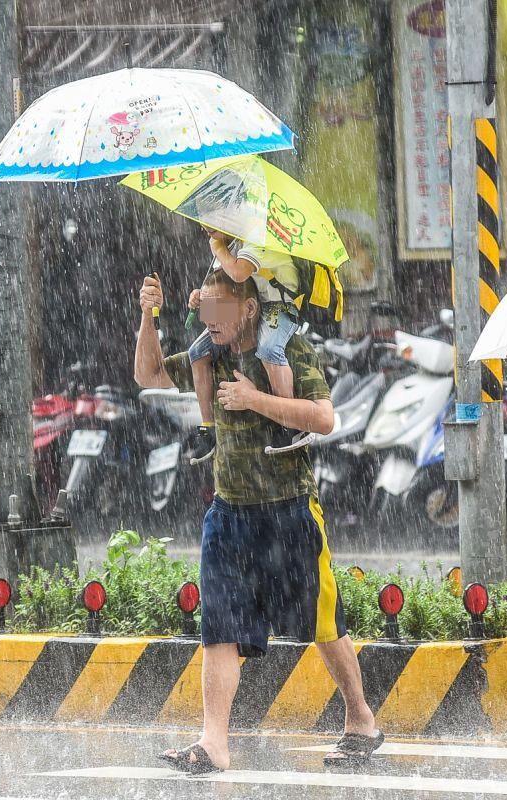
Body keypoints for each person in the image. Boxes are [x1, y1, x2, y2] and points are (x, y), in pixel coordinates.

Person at [135, 271, 382, 774]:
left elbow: (323, 418)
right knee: (219, 627)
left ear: (248, 309)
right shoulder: (210, 351)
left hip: (289, 508)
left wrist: (254, 399)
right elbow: (150, 375)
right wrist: (149, 316)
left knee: (322, 624)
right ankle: (213, 744)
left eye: (220, 308)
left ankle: (360, 717)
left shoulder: (286, 346)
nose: (211, 319)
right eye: (206, 309)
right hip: (229, 512)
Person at [185, 229, 311, 462]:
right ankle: (207, 427)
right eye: (203, 221)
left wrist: (219, 248)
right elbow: (223, 287)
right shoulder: (230, 243)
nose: (205, 227)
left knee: (269, 349)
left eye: (214, 219)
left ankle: (291, 425)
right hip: (246, 306)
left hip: (277, 304)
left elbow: (239, 273)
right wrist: (199, 297)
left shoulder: (257, 237)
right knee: (197, 351)